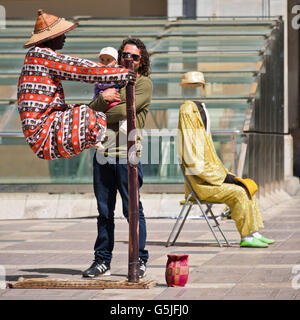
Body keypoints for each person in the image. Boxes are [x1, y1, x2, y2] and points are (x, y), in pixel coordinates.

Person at [17, 9, 133, 160]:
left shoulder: (34, 58)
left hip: (39, 134)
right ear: (52, 38)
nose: (64, 38)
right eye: (62, 34)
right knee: (86, 112)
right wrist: (121, 74)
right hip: (43, 133)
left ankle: (96, 138)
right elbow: (80, 69)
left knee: (86, 111)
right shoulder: (41, 55)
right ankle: (97, 137)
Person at [178, 71, 275, 248]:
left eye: (198, 86)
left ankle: (253, 232)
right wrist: (220, 177)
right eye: (192, 87)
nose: (196, 90)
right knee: (238, 192)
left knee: (246, 185)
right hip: (201, 184)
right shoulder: (187, 110)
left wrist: (225, 175)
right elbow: (192, 156)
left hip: (210, 177)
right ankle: (247, 237)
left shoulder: (200, 108)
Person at [82, 38, 152, 278]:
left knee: (132, 210)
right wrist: (103, 99)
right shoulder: (108, 80)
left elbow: (124, 110)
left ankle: (139, 259)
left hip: (127, 155)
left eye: (133, 56)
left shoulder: (143, 83)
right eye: (125, 55)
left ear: (141, 61)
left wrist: (104, 105)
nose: (128, 59)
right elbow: (91, 109)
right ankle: (102, 260)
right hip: (102, 153)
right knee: (104, 211)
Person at [93, 46, 127, 137]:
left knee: (125, 110)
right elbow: (97, 88)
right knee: (99, 117)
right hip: (104, 101)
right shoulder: (98, 73)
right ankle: (99, 136)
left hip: (115, 100)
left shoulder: (118, 72)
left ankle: (125, 125)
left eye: (108, 60)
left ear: (115, 62)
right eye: (102, 60)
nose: (105, 63)